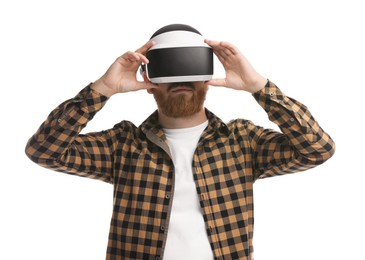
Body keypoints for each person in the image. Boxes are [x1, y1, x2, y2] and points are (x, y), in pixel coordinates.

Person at [25, 24, 335, 260]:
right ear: (149, 83)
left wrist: (259, 86)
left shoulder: (243, 141)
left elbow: (318, 149)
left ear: (205, 78)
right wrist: (103, 88)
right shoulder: (123, 144)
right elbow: (43, 151)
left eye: (189, 67)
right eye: (170, 71)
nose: (180, 81)